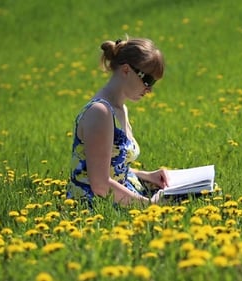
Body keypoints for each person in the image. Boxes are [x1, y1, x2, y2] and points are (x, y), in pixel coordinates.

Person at [67, 36, 169, 207]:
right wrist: (149, 205)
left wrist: (148, 176)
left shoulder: (120, 109)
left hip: (119, 201)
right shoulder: (100, 112)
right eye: (147, 80)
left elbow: (113, 170)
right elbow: (99, 185)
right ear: (126, 70)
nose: (149, 90)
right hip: (94, 210)